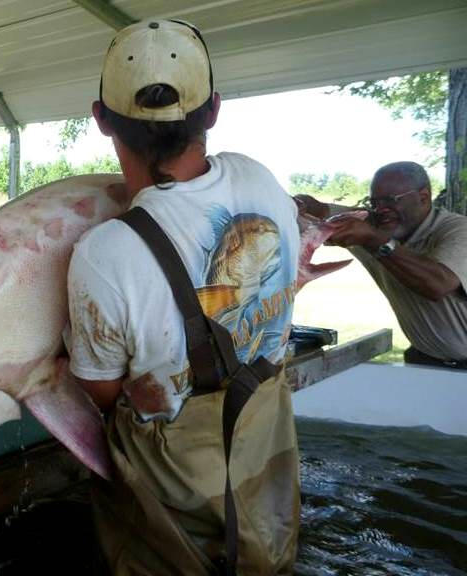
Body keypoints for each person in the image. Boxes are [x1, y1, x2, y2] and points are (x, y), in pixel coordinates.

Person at [66, 19, 300, 575]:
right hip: (266, 457)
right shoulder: (261, 180)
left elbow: (100, 393)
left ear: (101, 118)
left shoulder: (104, 253)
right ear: (213, 110)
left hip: (175, 499)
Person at [296, 161, 467, 369]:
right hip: (425, 360)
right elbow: (320, 212)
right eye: (374, 202)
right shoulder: (376, 225)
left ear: (423, 197)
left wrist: (375, 241)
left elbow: (437, 285)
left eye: (391, 200)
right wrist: (299, 205)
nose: (380, 210)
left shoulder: (458, 230)